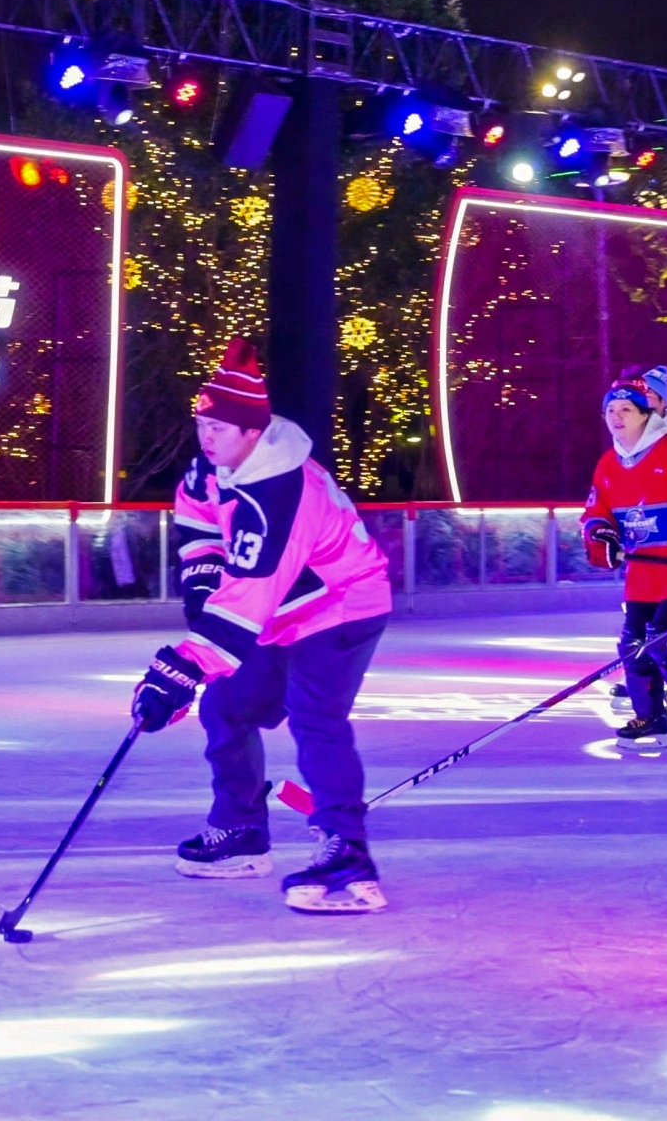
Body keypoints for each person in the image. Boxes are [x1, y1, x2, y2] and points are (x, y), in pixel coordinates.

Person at [134, 339, 393, 913]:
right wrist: (202, 585)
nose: (206, 437)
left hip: (343, 603)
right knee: (226, 705)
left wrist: (180, 668)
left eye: (219, 428)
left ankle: (347, 852)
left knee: (314, 715)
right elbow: (198, 519)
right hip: (284, 608)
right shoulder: (213, 468)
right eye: (202, 424)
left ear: (254, 432)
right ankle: (242, 830)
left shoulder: (279, 491)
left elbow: (248, 599)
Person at [578, 368, 667, 753]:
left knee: (663, 639)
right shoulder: (608, 463)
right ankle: (651, 715)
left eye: (626, 409)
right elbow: (596, 512)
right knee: (633, 643)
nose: (617, 416)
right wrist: (600, 534)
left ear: (646, 414)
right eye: (611, 410)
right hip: (643, 571)